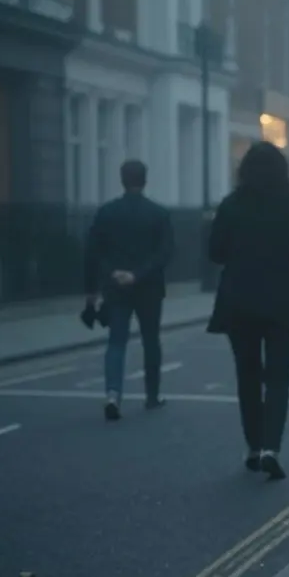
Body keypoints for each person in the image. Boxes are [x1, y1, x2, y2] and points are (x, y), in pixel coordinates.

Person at [207, 141, 289, 480]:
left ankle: (254, 446)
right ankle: (272, 447)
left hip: (239, 302)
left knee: (247, 377)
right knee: (278, 377)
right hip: (282, 303)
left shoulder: (231, 206)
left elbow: (215, 253)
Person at [84, 159, 174, 421]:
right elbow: (165, 253)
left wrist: (109, 275)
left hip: (115, 287)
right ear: (144, 180)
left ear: (122, 180)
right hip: (148, 287)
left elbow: (93, 252)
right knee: (151, 341)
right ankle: (152, 396)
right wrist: (137, 274)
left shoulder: (106, 213)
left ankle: (113, 394)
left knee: (116, 342)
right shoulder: (158, 214)